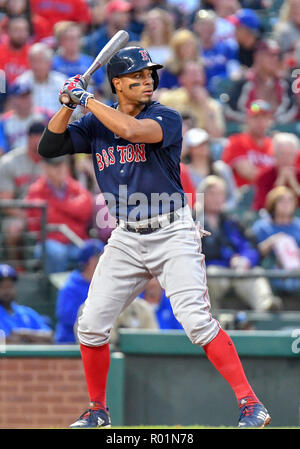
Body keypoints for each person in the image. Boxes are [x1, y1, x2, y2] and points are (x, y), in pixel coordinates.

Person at [38, 45, 271, 428]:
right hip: (127, 236)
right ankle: (98, 411)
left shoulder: (165, 115)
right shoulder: (95, 124)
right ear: (118, 84)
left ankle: (250, 403)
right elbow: (48, 146)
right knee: (91, 324)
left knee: (195, 322)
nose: (147, 82)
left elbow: (130, 130)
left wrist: (86, 99)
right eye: (137, 77)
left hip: (172, 231)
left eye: (149, 75)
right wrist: (66, 104)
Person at [198, 175, 282, 311]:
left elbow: (250, 246)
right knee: (212, 274)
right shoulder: (192, 221)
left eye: (220, 194)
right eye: (212, 194)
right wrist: (230, 258)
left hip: (238, 270)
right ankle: (212, 318)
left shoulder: (232, 221)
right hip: (213, 271)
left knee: (256, 273)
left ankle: (266, 309)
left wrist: (246, 260)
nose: (217, 198)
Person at [25, 155, 94, 274]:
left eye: (62, 164)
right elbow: (46, 218)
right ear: (45, 167)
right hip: (50, 242)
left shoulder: (74, 186)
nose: (60, 168)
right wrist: (72, 213)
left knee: (96, 250)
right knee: (56, 252)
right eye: (55, 165)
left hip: (75, 241)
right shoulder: (36, 190)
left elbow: (87, 208)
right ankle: (54, 291)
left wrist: (58, 205)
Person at [225, 38, 299, 125]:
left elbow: (293, 108)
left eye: (277, 55)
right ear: (258, 56)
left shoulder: (285, 83)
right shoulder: (243, 82)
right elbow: (229, 109)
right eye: (271, 55)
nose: (275, 59)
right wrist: (253, 121)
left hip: (279, 131)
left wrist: (272, 123)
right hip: (247, 131)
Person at [55, 239, 105, 343]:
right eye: (102, 257)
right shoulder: (71, 287)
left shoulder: (105, 284)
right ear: (92, 261)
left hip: (97, 342)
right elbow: (67, 318)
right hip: (70, 345)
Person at [158, 60, 225, 138]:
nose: (196, 78)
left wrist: (205, 105)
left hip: (202, 146)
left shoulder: (212, 105)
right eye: (192, 74)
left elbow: (217, 136)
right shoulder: (168, 99)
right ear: (181, 79)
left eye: (200, 74)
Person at [252, 185, 300, 294]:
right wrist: (271, 243)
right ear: (273, 204)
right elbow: (253, 253)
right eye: (281, 201)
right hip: (271, 269)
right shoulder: (262, 227)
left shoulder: (299, 226)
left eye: (289, 201)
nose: (286, 204)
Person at [182, 127, 238, 211]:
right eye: (198, 144)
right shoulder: (184, 172)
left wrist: (220, 210)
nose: (203, 147)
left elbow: (233, 197)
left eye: (205, 143)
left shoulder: (221, 169)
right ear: (189, 149)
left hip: (221, 218)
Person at [222, 99, 274, 188]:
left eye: (264, 117)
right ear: (247, 119)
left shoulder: (275, 145)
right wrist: (276, 176)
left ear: (270, 121)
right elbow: (249, 173)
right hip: (244, 196)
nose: (260, 121)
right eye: (256, 117)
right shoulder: (236, 141)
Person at [0, 264, 53, 343]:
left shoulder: (26, 312)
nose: (6, 291)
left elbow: (50, 337)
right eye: (2, 287)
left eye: (10, 286)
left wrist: (24, 334)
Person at [192, 9, 240, 95]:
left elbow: (234, 70)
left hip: (225, 91)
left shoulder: (226, 47)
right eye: (202, 24)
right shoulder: (192, 49)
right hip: (201, 92)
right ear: (196, 26)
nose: (206, 28)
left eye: (210, 24)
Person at [0, 80, 53, 154]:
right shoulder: (4, 122)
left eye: (28, 96)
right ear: (13, 100)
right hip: (15, 160)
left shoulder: (46, 115)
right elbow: (1, 149)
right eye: (22, 97)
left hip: (42, 158)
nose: (26, 100)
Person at [52, 21, 105, 92]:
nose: (75, 42)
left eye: (77, 37)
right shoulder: (52, 64)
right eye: (70, 38)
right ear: (60, 41)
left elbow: (100, 89)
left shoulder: (91, 62)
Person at [253, 132, 300, 211]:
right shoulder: (264, 176)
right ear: (274, 155)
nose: (286, 158)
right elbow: (263, 205)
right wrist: (279, 182)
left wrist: (294, 184)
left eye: (290, 154)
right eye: (282, 154)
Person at [15, 42, 67, 112]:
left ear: (49, 63)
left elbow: (72, 112)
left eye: (40, 61)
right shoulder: (21, 83)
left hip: (58, 121)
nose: (36, 65)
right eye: (33, 61)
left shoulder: (62, 82)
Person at [0, 16, 31, 86]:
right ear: (8, 32)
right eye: (16, 30)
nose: (21, 34)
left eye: (24, 30)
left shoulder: (33, 54)